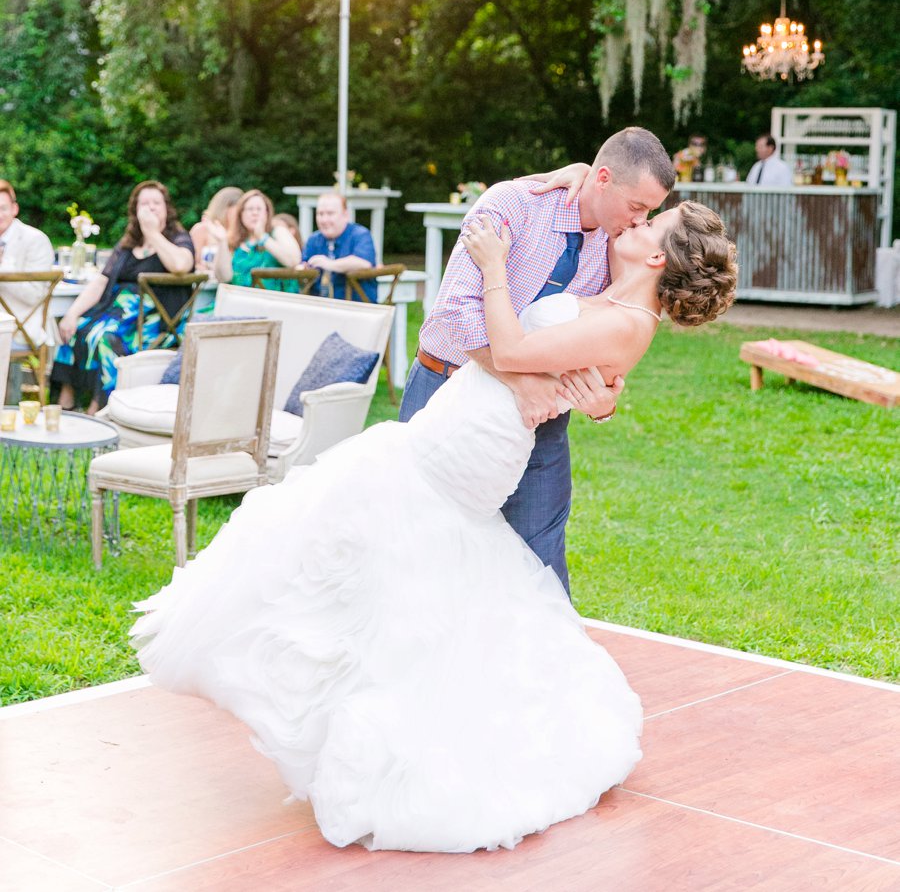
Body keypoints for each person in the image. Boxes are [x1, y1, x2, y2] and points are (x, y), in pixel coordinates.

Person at [132, 198, 737, 854]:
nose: (639, 222)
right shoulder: (610, 288)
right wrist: (586, 391)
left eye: (653, 223)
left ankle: (389, 742)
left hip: (475, 448)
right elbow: (554, 360)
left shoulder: (627, 322)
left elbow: (510, 346)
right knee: (368, 559)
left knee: (385, 559)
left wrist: (494, 264)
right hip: (457, 423)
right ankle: (344, 705)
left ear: (656, 256)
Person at [399, 126, 675, 593]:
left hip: (542, 422)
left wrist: (604, 402)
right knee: (421, 543)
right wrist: (520, 382)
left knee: (540, 560)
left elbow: (622, 326)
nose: (640, 221)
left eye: (650, 212)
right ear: (603, 178)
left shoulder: (619, 245)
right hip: (445, 390)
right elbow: (454, 310)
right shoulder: (512, 205)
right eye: (636, 207)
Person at [52, 181, 194, 413]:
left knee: (106, 338)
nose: (150, 208)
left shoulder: (178, 238)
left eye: (156, 203)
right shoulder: (129, 243)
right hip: (115, 311)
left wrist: (153, 233)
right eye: (144, 204)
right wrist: (72, 313)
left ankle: (100, 409)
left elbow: (181, 265)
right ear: (135, 211)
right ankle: (66, 404)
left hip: (152, 320)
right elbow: (101, 281)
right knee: (76, 327)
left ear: (167, 209)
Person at [0, 180, 56, 398]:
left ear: (14, 209)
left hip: (22, 326)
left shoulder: (35, 240)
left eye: (2, 208)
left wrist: (3, 271)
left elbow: (35, 295)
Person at [208, 189, 301, 288]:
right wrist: (222, 242)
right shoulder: (234, 240)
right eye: (250, 209)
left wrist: (262, 237)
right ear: (241, 214)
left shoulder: (277, 232)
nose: (255, 213)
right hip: (238, 299)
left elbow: (293, 260)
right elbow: (223, 278)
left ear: (267, 213)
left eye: (259, 209)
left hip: (274, 299)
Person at [301, 191, 377, 302]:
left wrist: (329, 264)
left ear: (345, 215)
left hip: (358, 310)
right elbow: (302, 265)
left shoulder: (360, 234)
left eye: (330, 214)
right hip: (319, 309)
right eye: (320, 214)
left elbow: (364, 263)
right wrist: (303, 268)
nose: (324, 220)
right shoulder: (314, 239)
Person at [190, 186, 243, 270]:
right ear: (225, 208)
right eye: (239, 209)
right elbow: (191, 263)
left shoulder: (241, 233)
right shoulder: (202, 229)